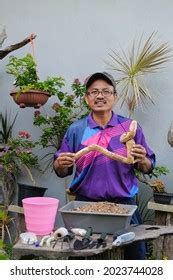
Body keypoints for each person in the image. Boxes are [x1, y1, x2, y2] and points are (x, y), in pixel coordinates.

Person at [53, 72, 155, 259]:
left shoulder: (129, 127)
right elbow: (62, 170)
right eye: (94, 92)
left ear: (115, 97)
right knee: (82, 262)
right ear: (86, 98)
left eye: (106, 91)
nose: (100, 96)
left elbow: (148, 167)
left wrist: (143, 160)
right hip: (85, 207)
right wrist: (60, 163)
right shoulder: (76, 129)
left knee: (134, 262)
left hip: (124, 208)